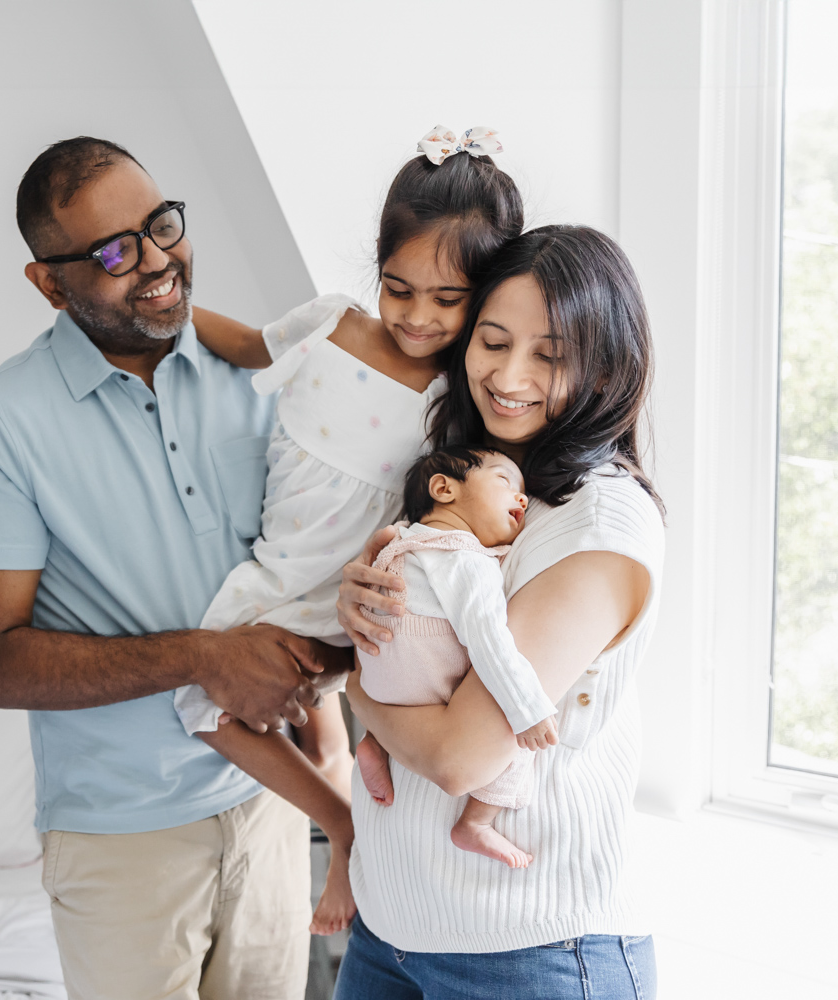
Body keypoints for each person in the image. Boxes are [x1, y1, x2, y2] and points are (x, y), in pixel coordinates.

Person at [0, 136, 354, 1000]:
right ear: (50, 284)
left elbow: (303, 556)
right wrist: (202, 657)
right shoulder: (0, 419)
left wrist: (331, 742)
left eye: (162, 225)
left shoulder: (256, 373)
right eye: (114, 253)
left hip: (270, 807)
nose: (158, 260)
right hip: (121, 843)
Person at [175, 126, 525, 935]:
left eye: (447, 300)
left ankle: (343, 823)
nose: (417, 317)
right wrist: (166, 312)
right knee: (216, 696)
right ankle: (343, 800)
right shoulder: (331, 323)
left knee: (213, 701)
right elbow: (249, 347)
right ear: (376, 268)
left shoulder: (460, 397)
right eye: (398, 289)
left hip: (361, 602)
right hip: (281, 570)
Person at [333, 225, 665, 999]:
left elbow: (463, 758)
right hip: (390, 926)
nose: (509, 377)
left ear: (605, 368)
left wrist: (356, 690)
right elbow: (417, 658)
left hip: (535, 950)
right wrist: (361, 613)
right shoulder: (469, 482)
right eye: (493, 342)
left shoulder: (599, 523)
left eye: (550, 355)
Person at [352, 445, 559, 869]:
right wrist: (529, 710)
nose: (522, 498)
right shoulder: (465, 557)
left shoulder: (401, 541)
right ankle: (476, 822)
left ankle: (375, 740)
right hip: (425, 671)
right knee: (514, 733)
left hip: (379, 679)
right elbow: (490, 639)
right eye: (505, 481)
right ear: (444, 489)